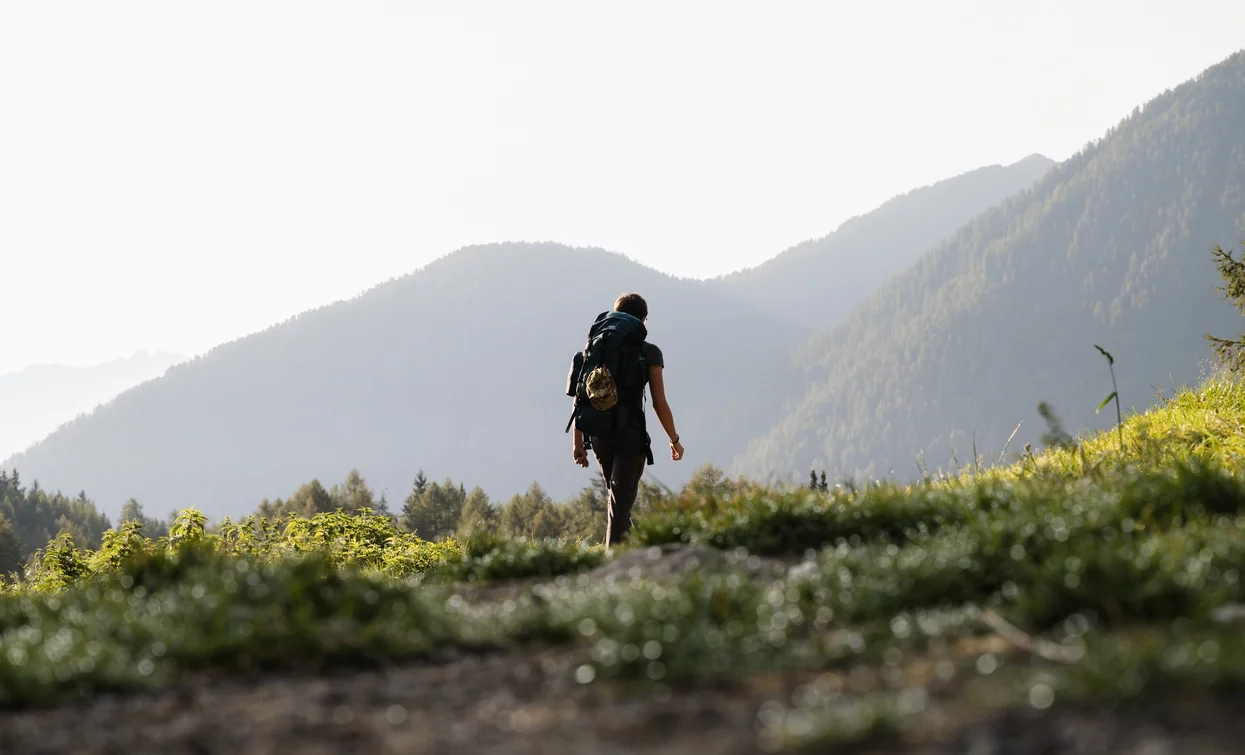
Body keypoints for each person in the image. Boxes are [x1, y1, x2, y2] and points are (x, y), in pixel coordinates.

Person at [570, 293, 684, 547]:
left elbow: (580, 396)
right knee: (620, 503)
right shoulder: (649, 352)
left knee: (618, 501)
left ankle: (635, 553)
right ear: (643, 320)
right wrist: (674, 440)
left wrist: (578, 443)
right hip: (630, 435)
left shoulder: (593, 350)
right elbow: (658, 403)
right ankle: (615, 567)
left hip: (598, 434)